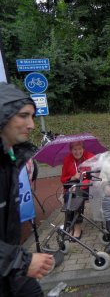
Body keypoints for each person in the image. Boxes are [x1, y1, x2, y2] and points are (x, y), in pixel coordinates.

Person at [0, 83, 54, 296]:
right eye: (23, 116)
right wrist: (20, 260)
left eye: (32, 117)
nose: (31, 125)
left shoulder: (9, 161)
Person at [60, 141, 95, 239]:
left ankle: (77, 227)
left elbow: (95, 175)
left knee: (77, 196)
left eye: (80, 149)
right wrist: (72, 177)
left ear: (83, 149)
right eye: (75, 149)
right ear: (71, 150)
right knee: (69, 196)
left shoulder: (90, 157)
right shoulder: (67, 159)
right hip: (72, 187)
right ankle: (70, 224)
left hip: (89, 187)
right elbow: (63, 179)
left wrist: (80, 185)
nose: (77, 152)